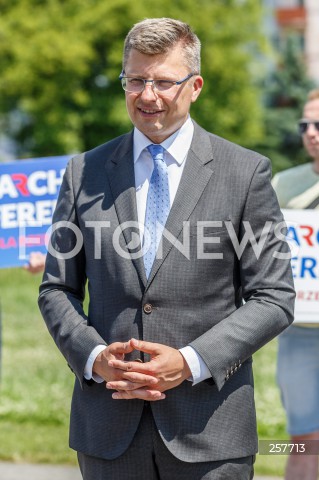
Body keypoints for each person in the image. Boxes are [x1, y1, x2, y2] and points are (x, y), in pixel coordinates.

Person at [38, 18, 295, 480]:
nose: (148, 95)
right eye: (135, 80)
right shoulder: (84, 173)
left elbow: (274, 298)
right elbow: (56, 288)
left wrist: (191, 362)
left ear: (194, 86)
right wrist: (96, 358)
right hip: (108, 433)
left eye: (163, 81)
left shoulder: (245, 173)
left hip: (210, 432)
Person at [272, 88, 319, 480]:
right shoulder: (283, 185)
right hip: (300, 331)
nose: (311, 132)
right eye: (305, 124)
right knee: (303, 440)